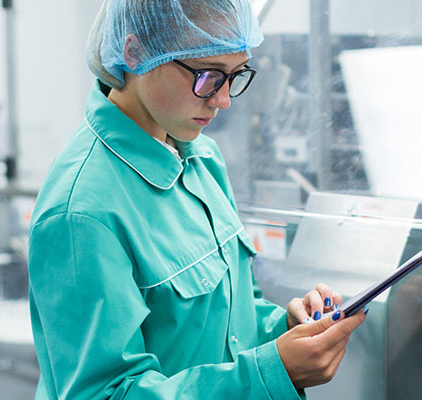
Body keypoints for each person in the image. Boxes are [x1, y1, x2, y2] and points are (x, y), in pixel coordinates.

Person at [27, 1, 366, 398]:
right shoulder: (82, 213)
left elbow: (224, 320)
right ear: (135, 53)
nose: (223, 99)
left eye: (236, 75)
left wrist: (286, 334)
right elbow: (103, 393)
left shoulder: (201, 158)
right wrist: (269, 372)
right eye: (208, 76)